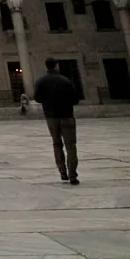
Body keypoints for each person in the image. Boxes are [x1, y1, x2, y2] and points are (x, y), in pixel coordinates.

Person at [33, 57, 80, 185]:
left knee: (56, 143)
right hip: (66, 116)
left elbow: (37, 98)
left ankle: (62, 172)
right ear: (56, 66)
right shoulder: (65, 81)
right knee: (70, 145)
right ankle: (72, 175)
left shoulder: (40, 81)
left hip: (51, 117)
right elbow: (75, 99)